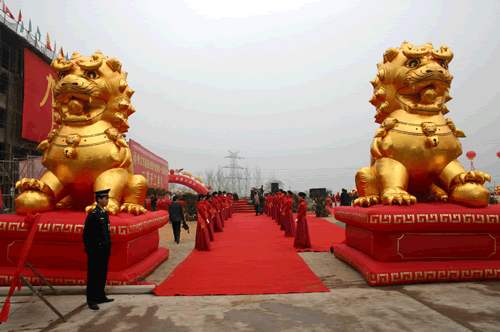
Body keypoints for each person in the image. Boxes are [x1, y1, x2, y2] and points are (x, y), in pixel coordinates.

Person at [82, 189, 114, 311]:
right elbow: (87, 234)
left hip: (104, 250)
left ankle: (101, 296)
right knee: (93, 275)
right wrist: (91, 248)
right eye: (106, 198)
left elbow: (106, 232)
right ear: (99, 199)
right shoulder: (93, 214)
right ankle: (91, 300)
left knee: (102, 274)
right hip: (95, 250)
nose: (107, 200)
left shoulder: (104, 213)